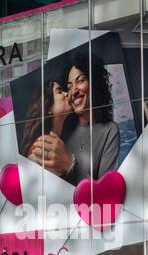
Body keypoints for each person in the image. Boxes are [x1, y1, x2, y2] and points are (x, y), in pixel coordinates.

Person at [32, 53, 120, 185]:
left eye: (80, 81)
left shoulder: (110, 131)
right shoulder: (61, 128)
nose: (73, 91)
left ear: (94, 83)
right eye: (68, 87)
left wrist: (70, 165)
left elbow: (106, 191)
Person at [20, 80, 75, 177]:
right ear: (48, 107)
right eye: (59, 91)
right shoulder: (40, 149)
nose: (66, 94)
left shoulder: (54, 144)